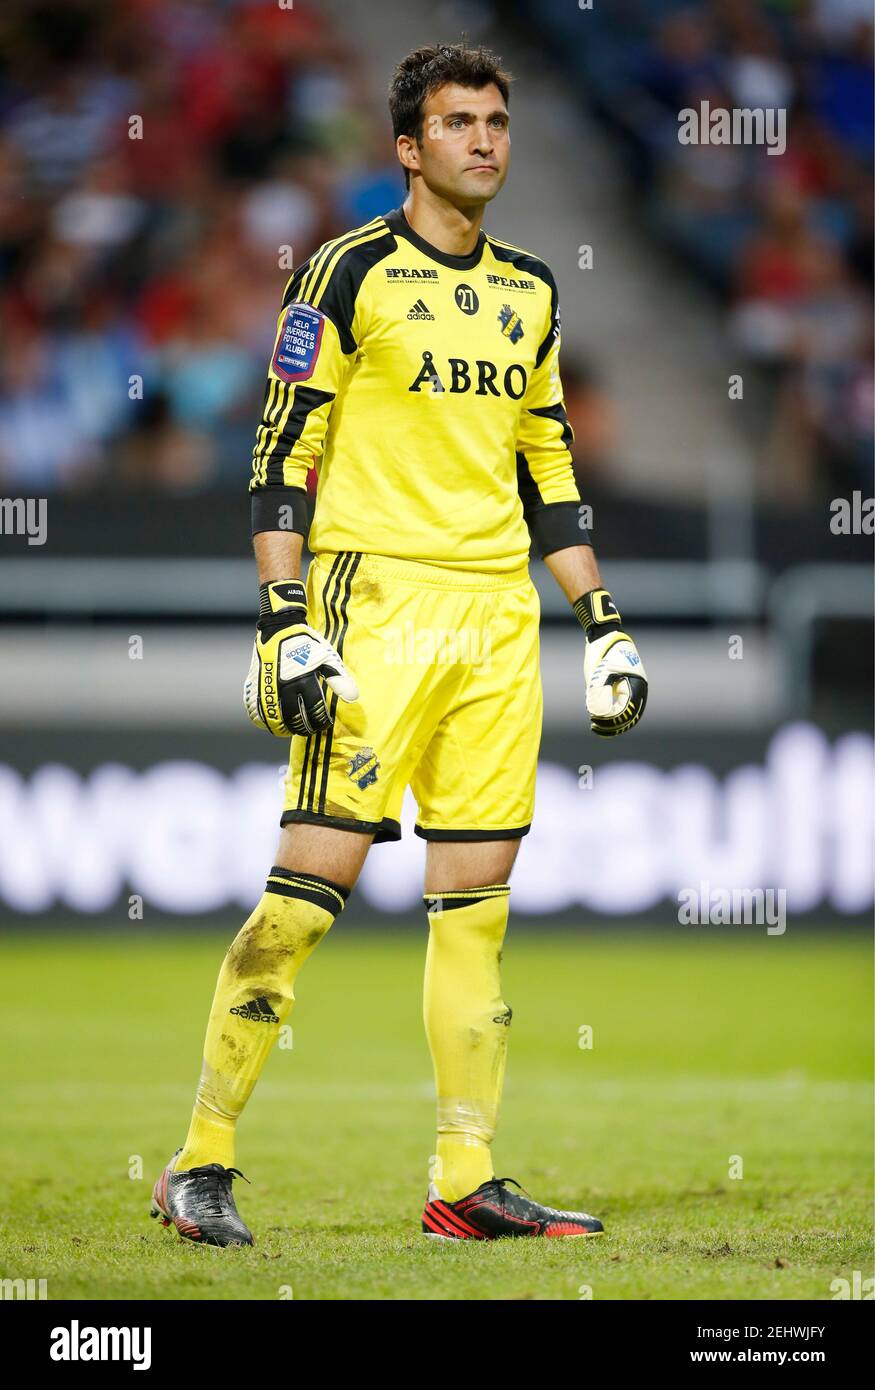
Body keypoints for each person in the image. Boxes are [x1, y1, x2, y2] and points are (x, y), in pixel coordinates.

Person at [150, 42, 648, 1247]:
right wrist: (285, 618)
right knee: (305, 899)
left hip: (496, 624)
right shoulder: (347, 271)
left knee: (475, 906)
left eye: (495, 120)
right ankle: (197, 1161)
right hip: (374, 608)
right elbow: (282, 459)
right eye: (456, 122)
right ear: (406, 149)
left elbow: (548, 469)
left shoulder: (531, 290)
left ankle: (463, 1179)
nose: (483, 139)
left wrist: (602, 618)